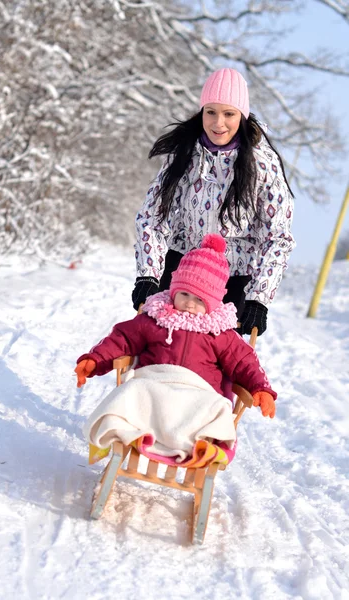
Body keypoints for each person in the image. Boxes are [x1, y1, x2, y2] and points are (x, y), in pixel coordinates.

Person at [131, 67, 295, 336]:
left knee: (215, 358)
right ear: (202, 112)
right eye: (211, 112)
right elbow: (151, 216)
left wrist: (259, 299)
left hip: (234, 276)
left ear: (241, 115)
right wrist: (148, 274)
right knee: (161, 346)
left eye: (228, 114)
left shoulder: (263, 165)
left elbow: (277, 237)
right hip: (182, 268)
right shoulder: (184, 154)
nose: (219, 123)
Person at [76, 234, 277, 424]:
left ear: (214, 302)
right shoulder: (157, 318)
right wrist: (96, 360)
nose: (190, 304)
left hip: (197, 395)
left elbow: (244, 360)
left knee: (217, 409)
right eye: (184, 294)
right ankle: (117, 430)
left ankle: (209, 447)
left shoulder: (220, 333)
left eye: (199, 299)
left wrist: (260, 389)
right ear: (173, 290)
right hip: (153, 387)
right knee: (129, 393)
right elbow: (123, 339)